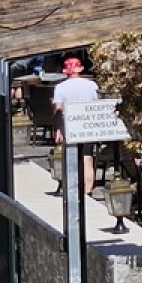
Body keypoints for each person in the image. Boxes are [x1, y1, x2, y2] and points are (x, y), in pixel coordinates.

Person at [51, 56, 100, 197]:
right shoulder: (91, 85)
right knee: (87, 158)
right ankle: (87, 191)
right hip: (88, 124)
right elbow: (96, 105)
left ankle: (72, 188)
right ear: (80, 69)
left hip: (70, 124)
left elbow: (58, 110)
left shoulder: (60, 87)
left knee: (70, 157)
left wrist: (58, 129)